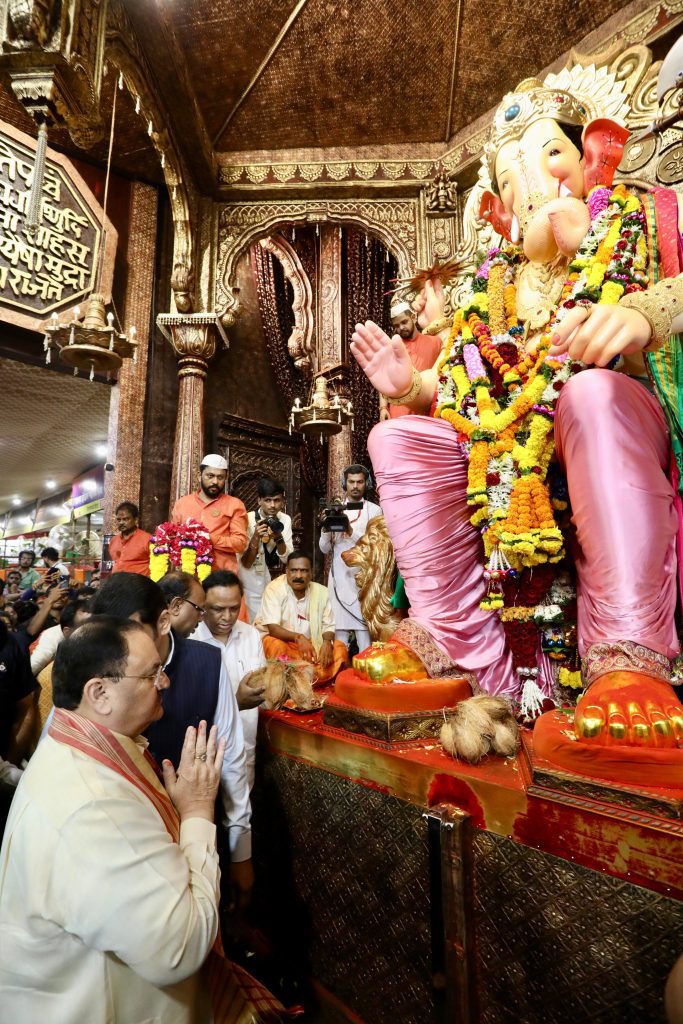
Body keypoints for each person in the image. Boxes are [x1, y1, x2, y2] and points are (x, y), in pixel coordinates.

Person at [350, 73, 683, 768]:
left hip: (617, 427)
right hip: (509, 457)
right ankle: (453, 648)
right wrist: (411, 384)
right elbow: (473, 380)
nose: (532, 183)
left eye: (548, 156)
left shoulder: (647, 216)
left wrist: (638, 316)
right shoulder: (491, 282)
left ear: (592, 155)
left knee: (588, 394)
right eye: (511, 175)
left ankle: (629, 662)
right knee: (398, 437)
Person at [0, 616, 227, 1023]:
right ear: (99, 693)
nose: (166, 682)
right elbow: (179, 948)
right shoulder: (92, 805)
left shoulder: (77, 749)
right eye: (152, 673)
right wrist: (196, 813)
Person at [92, 572, 254, 906]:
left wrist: (241, 849)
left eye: (129, 630)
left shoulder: (206, 664)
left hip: (195, 836)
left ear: (163, 620)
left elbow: (233, 759)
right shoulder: (102, 662)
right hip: (124, 843)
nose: (120, 643)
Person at [193, 570, 266, 788]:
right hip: (204, 751)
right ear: (202, 605)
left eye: (234, 608)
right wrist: (236, 703)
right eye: (217, 609)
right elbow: (190, 709)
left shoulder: (250, 635)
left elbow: (263, 689)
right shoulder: (190, 639)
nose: (227, 617)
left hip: (244, 744)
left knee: (240, 818)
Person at [256, 551, 348, 684]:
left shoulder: (321, 592)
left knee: (339, 648)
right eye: (294, 570)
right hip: (282, 642)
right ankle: (300, 681)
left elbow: (328, 625)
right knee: (275, 646)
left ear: (311, 573)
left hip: (310, 645)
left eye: (304, 571)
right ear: (286, 571)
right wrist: (298, 638)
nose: (298, 575)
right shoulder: (274, 589)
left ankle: (306, 679)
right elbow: (273, 628)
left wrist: (327, 643)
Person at [318, 464, 382, 653]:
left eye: (360, 482)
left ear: (367, 484)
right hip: (339, 577)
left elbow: (375, 547)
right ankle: (339, 679)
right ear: (344, 484)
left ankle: (365, 679)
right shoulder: (335, 510)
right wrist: (325, 527)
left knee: (365, 638)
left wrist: (350, 531)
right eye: (351, 482)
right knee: (340, 635)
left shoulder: (374, 511)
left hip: (363, 578)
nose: (355, 486)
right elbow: (324, 549)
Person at [171, 453, 248, 573]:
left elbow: (240, 543)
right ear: (199, 475)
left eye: (220, 477)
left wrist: (207, 538)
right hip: (188, 574)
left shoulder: (235, 504)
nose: (215, 481)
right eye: (210, 476)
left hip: (222, 576)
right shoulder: (182, 503)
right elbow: (174, 539)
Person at [239, 477, 293, 621]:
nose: (273, 505)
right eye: (268, 500)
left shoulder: (285, 520)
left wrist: (278, 536)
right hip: (249, 579)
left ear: (283, 501)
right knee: (251, 622)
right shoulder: (248, 519)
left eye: (277, 500)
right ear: (259, 501)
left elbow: (287, 558)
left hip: (271, 581)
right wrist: (256, 536)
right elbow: (245, 563)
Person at [378, 301, 443, 420]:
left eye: (404, 322)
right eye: (396, 326)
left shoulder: (435, 342)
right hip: (398, 412)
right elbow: (385, 380)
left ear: (413, 317)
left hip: (425, 412)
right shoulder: (393, 348)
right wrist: (383, 408)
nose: (401, 328)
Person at [110, 501, 153, 576]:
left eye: (125, 519)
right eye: (119, 520)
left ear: (136, 519)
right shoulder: (114, 540)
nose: (121, 523)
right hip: (117, 583)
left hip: (139, 584)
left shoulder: (147, 539)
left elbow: (155, 564)